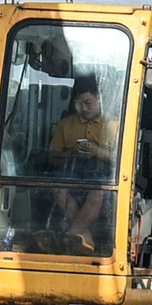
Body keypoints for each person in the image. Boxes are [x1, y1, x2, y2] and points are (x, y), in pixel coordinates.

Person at [49, 73, 118, 248]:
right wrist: (71, 153)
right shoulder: (65, 124)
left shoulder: (114, 124)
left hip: (102, 173)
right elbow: (52, 157)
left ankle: (72, 235)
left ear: (99, 98)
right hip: (72, 171)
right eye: (79, 104)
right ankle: (82, 235)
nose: (84, 108)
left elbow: (121, 160)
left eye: (88, 103)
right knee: (57, 188)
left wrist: (97, 152)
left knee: (98, 190)